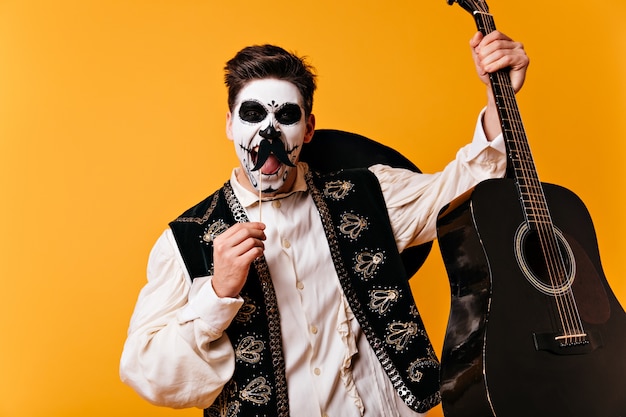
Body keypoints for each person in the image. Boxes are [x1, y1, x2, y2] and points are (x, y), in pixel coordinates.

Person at [120, 30, 529, 416]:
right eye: (252, 114)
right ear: (229, 124)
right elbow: (148, 372)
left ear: (308, 128)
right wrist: (215, 294)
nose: (269, 130)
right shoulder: (186, 240)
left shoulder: (368, 193)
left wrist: (499, 101)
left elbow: (463, 191)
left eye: (286, 115)